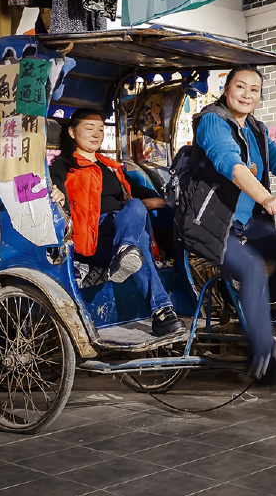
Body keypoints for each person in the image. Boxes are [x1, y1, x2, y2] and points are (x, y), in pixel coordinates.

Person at [176, 65, 276, 379]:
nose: (247, 94)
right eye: (240, 86)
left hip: (246, 224)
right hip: (210, 224)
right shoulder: (212, 122)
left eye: (254, 89)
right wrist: (265, 198)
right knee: (252, 271)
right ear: (227, 88)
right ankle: (262, 360)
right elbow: (230, 164)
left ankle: (257, 312)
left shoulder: (256, 129)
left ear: (260, 95)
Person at [49, 109, 184, 337]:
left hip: (122, 229)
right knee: (138, 236)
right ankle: (162, 312)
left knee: (135, 207)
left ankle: (126, 250)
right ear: (72, 132)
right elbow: (54, 187)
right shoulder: (64, 165)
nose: (96, 134)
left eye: (101, 129)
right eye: (89, 128)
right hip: (92, 238)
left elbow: (142, 194)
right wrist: (57, 193)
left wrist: (174, 201)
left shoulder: (111, 166)